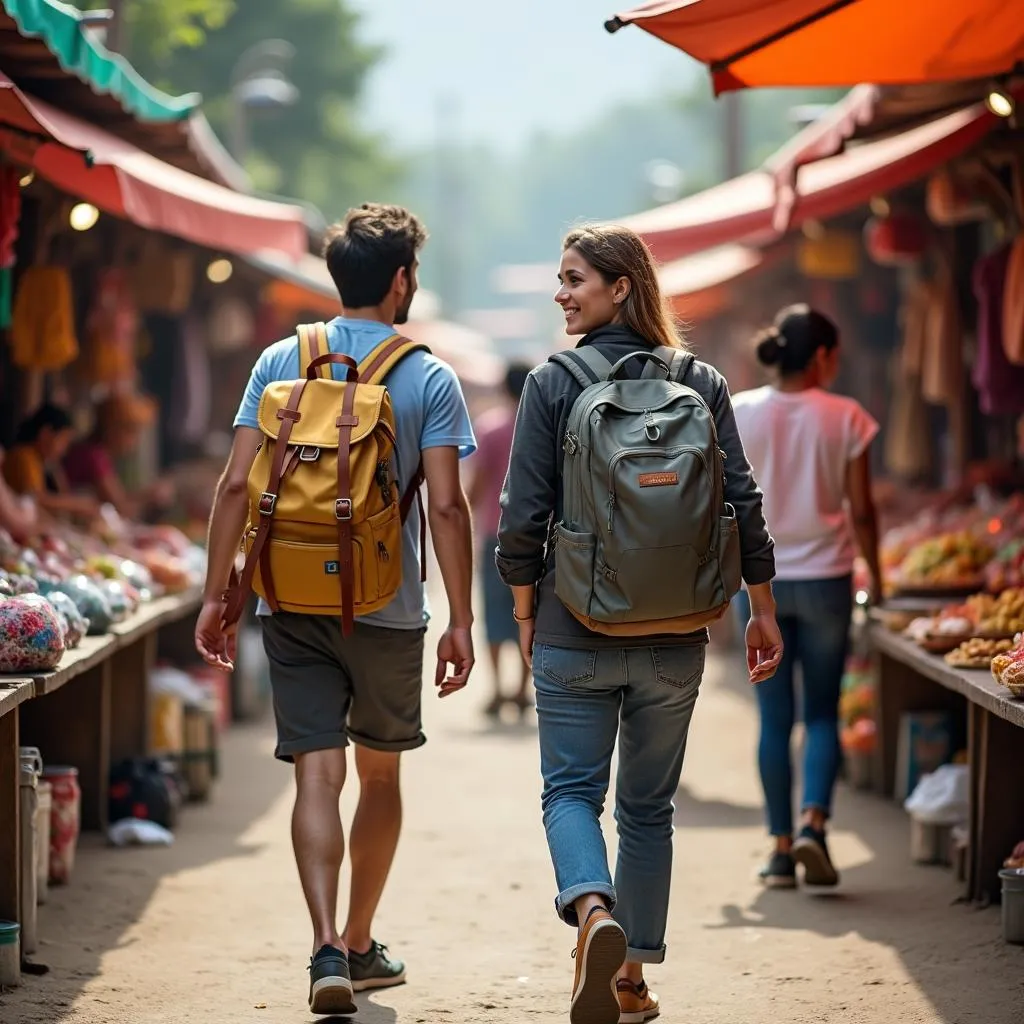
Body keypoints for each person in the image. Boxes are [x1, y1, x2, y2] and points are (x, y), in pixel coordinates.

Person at [194, 203, 477, 1015]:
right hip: (388, 605)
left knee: (316, 774)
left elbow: (234, 484)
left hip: (290, 598)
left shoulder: (282, 359)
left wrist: (219, 594)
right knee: (379, 775)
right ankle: (358, 942)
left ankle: (320, 945)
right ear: (400, 280)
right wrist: (460, 617)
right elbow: (449, 510)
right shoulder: (429, 375)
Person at [496, 224, 782, 1024]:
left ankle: (594, 916)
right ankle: (631, 983)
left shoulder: (553, 382)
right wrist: (761, 610)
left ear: (622, 286)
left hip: (575, 624)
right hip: (676, 635)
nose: (562, 292)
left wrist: (523, 611)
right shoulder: (702, 379)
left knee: (570, 794)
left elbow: (522, 518)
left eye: (575, 278)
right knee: (649, 809)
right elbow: (743, 507)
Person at [731, 304, 881, 891]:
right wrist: (880, 581)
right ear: (821, 356)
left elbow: (725, 503)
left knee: (774, 719)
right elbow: (862, 510)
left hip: (760, 586)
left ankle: (778, 849)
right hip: (829, 579)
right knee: (821, 713)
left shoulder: (740, 412)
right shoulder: (847, 417)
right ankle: (815, 824)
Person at [467, 362, 533, 717]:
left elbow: (475, 488)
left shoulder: (490, 428)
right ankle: (522, 690)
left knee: (494, 613)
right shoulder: (545, 428)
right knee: (530, 613)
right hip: (537, 536)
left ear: (505, 389)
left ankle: (496, 689)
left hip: (496, 533)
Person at [63, 394, 171, 521]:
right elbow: (121, 507)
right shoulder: (94, 455)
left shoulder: (97, 453)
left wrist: (147, 495)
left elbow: (118, 498)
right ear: (112, 428)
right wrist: (150, 498)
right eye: (131, 432)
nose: (135, 441)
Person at [3, 404, 99, 520]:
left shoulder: (39, 460)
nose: (64, 450)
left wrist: (56, 469)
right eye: (63, 441)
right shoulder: (24, 456)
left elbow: (63, 493)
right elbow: (37, 500)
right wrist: (78, 504)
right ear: (46, 433)